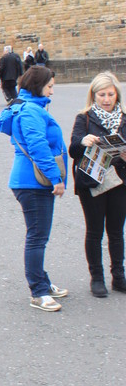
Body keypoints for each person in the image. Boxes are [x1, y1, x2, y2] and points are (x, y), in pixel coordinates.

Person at [0, 65, 68, 312]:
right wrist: (56, 178)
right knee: (37, 237)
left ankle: (43, 283)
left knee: (39, 235)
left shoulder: (26, 106)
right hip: (34, 182)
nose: (52, 91)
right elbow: (37, 146)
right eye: (50, 86)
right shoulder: (31, 111)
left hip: (28, 181)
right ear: (38, 86)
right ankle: (38, 291)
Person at [68, 72, 126, 298]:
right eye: (101, 94)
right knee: (94, 231)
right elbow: (73, 149)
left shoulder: (124, 118)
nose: (106, 99)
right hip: (92, 181)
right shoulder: (85, 118)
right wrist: (84, 141)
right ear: (93, 95)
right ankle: (97, 278)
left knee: (116, 231)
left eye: (110, 94)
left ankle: (119, 277)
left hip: (119, 181)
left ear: (116, 95)